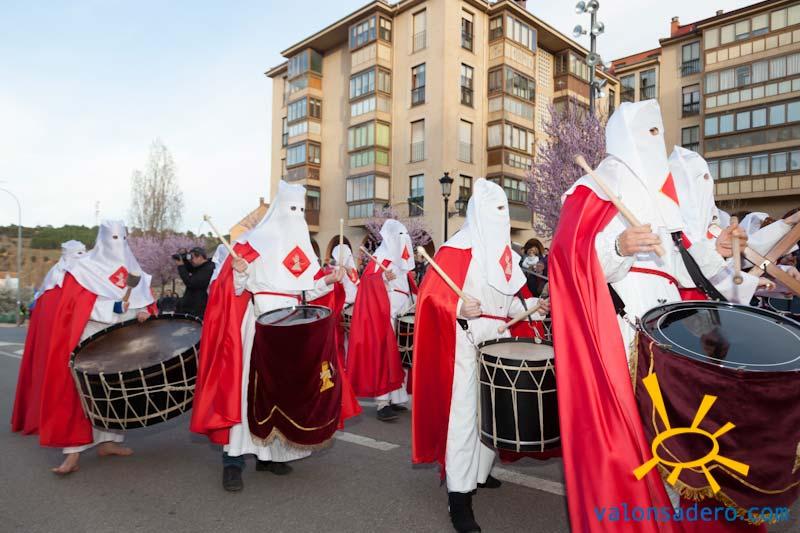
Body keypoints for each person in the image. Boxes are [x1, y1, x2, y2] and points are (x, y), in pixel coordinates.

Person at [549, 101, 754, 532]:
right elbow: (569, 261)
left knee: (680, 433)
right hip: (623, 329)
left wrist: (711, 251)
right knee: (637, 435)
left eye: (659, 133)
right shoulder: (592, 191)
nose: (655, 144)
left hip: (672, 326)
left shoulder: (664, 200)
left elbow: (679, 266)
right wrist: (619, 247)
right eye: (647, 134)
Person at [412, 178, 548, 533]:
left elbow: (514, 299)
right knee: (464, 418)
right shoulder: (455, 250)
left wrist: (535, 306)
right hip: (464, 341)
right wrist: (457, 305)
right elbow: (429, 297)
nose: (502, 217)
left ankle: (480, 473)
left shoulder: (506, 254)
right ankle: (459, 497)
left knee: (494, 412)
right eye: (496, 210)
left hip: (500, 338)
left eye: (506, 210)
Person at [190, 181, 345, 493]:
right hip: (258, 326)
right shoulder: (253, 242)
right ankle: (233, 460)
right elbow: (233, 290)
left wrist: (328, 280)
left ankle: (271, 453)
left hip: (292, 329)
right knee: (249, 390)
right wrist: (240, 271)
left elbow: (308, 290)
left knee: (283, 392)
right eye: (292, 209)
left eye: (301, 210)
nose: (297, 215)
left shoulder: (302, 247)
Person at [28, 221, 156, 474]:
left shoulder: (133, 269)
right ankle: (72, 454)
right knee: (81, 395)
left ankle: (109, 442)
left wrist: (142, 311)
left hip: (122, 340)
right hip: (91, 339)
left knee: (115, 393)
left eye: (123, 239)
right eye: (114, 238)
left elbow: (144, 299)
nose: (118, 244)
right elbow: (76, 306)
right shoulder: (84, 270)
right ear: (103, 240)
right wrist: (112, 308)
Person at [12, 240, 86, 435]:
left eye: (83, 253)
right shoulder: (60, 279)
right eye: (78, 253)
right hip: (60, 340)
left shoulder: (53, 278)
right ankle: (53, 421)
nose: (82, 257)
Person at [347, 220, 417, 422]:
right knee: (385, 357)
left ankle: (397, 397)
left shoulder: (399, 261)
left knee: (401, 357)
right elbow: (368, 283)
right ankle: (382, 402)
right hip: (385, 315)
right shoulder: (380, 258)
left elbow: (410, 286)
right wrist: (383, 279)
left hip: (402, 312)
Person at [175, 246, 214, 317]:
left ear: (200, 257)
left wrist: (181, 266)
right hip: (191, 308)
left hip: (198, 311)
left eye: (191, 257)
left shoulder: (209, 268)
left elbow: (191, 283)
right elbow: (189, 268)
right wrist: (184, 257)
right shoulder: (200, 267)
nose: (190, 260)